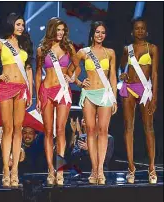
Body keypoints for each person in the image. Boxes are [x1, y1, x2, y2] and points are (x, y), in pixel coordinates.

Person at [0, 13, 33, 188]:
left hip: (22, 88)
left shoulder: (24, 44)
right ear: (11, 25)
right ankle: (5, 169)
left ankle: (15, 169)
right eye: (18, 24)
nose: (21, 27)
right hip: (6, 88)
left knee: (18, 129)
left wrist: (30, 92)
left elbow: (28, 69)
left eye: (22, 25)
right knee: (7, 129)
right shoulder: (0, 43)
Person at [72, 21, 117, 185]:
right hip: (89, 94)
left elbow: (112, 77)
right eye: (97, 32)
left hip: (105, 93)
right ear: (92, 33)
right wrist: (79, 82)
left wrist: (114, 98)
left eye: (103, 32)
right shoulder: (83, 52)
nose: (100, 35)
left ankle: (100, 170)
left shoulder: (110, 52)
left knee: (103, 131)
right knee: (90, 131)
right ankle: (93, 169)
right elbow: (71, 72)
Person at [35, 17, 77, 186]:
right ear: (52, 30)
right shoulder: (42, 49)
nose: (60, 33)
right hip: (46, 90)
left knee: (60, 130)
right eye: (58, 30)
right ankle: (50, 169)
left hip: (62, 91)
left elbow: (77, 65)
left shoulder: (68, 47)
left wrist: (71, 75)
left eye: (62, 30)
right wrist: (38, 96)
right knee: (48, 131)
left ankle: (60, 169)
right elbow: (38, 73)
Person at [119, 17, 158, 184]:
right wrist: (122, 74)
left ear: (146, 30)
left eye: (142, 28)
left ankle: (151, 167)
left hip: (145, 90)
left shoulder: (153, 48)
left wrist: (155, 96)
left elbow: (155, 73)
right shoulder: (127, 49)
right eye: (137, 28)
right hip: (129, 88)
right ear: (132, 31)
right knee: (129, 128)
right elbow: (122, 67)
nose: (140, 31)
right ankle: (131, 167)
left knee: (148, 128)